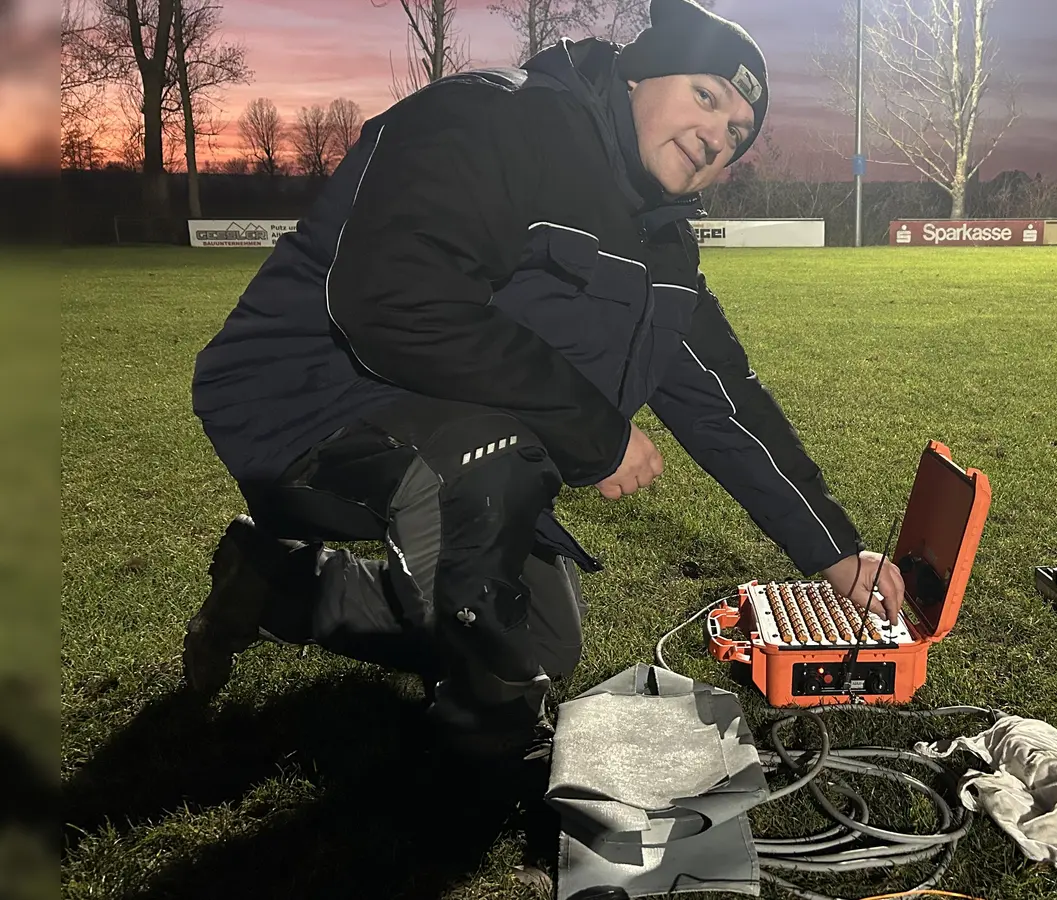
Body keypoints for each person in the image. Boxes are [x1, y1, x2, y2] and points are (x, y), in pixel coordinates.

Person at [184, 0, 906, 762]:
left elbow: (724, 400)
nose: (715, 135)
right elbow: (392, 301)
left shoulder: (659, 244)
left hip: (442, 424)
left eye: (736, 134)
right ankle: (485, 753)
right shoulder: (498, 116)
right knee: (492, 479)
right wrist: (597, 435)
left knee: (540, 640)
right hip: (303, 397)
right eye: (706, 96)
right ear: (637, 76)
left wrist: (836, 550)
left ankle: (270, 585)